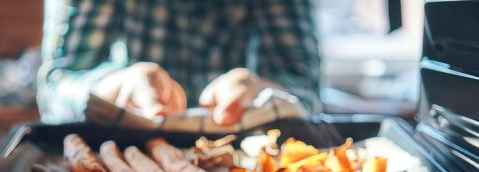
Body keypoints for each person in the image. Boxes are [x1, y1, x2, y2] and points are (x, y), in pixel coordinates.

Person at [37, 0, 320, 127]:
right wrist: (114, 86)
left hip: (242, 155)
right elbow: (57, 84)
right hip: (122, 144)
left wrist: (261, 88)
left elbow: (305, 88)